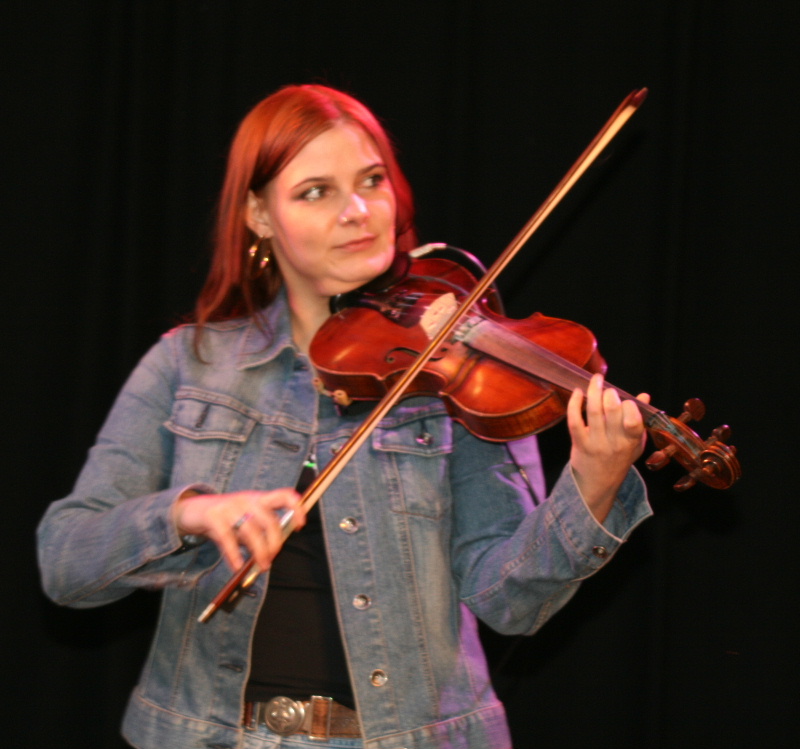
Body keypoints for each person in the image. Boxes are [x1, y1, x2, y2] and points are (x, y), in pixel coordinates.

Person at [37, 84, 652, 749]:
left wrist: (592, 485)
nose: (358, 212)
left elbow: (510, 603)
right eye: (315, 192)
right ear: (259, 215)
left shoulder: (456, 369)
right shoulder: (189, 364)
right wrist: (188, 514)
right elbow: (65, 561)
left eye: (371, 181)